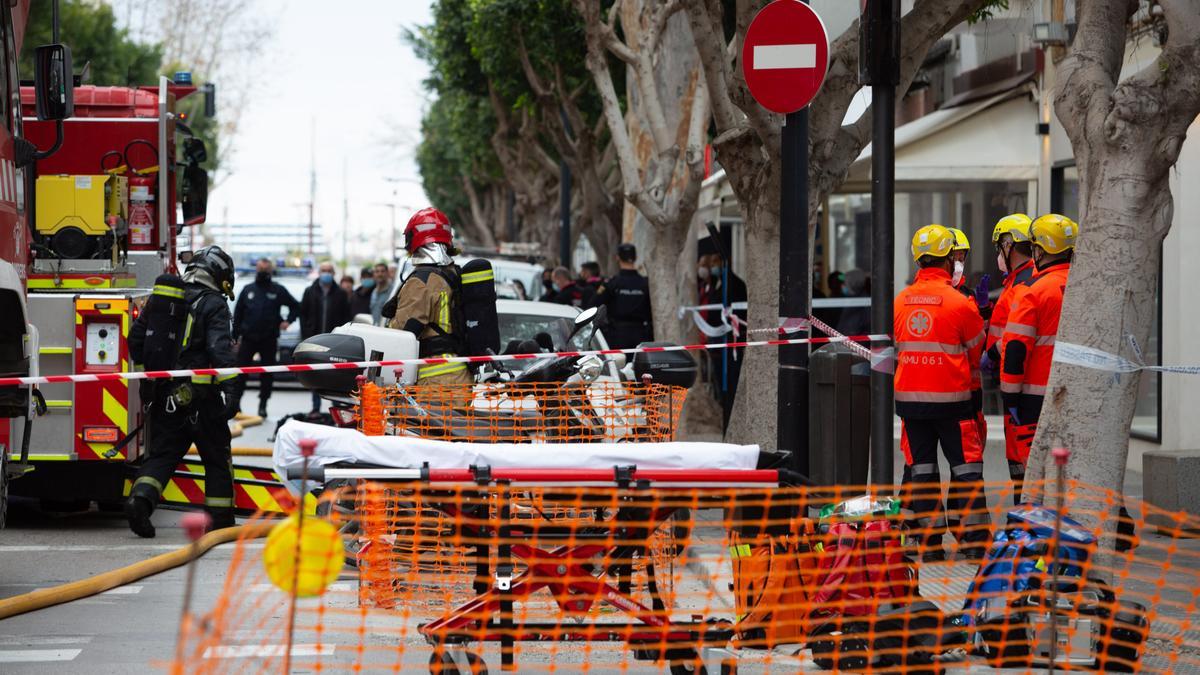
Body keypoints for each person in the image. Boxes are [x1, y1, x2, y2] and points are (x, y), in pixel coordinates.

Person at [125, 246, 239, 538]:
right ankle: (220, 520)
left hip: (165, 397)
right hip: (203, 400)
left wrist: (148, 382)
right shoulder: (213, 303)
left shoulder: (163, 300)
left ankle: (140, 501)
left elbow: (136, 339)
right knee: (216, 457)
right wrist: (231, 390)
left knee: (162, 455)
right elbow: (219, 350)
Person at [894, 224, 990, 561]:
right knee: (966, 470)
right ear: (949, 260)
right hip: (954, 403)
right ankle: (974, 541)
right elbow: (978, 352)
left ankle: (930, 545)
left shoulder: (900, 301)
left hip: (910, 404)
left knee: (921, 470)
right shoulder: (960, 303)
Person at [1000, 214, 1078, 499]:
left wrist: (1009, 397)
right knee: (1074, 466)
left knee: (1036, 471)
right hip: (1079, 394)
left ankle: (1034, 531)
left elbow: (1016, 349)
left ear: (1041, 250)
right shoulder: (1086, 289)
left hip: (1035, 398)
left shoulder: (1034, 291)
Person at [385, 207, 472, 391]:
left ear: (414, 238)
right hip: (459, 374)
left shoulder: (422, 281)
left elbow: (403, 332)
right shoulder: (452, 274)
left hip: (436, 380)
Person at [982, 213, 1036, 498]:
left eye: (998, 246)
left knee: (1023, 464)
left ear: (1008, 244)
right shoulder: (1017, 282)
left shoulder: (1024, 284)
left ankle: (1025, 521)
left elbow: (1017, 335)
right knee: (1019, 463)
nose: (998, 255)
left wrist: (992, 352)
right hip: (1014, 380)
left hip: (1021, 385)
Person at [231, 257, 300, 418]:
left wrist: (288, 321)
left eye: (266, 270)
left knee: (267, 374)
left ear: (271, 271)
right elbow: (238, 314)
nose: (263, 272)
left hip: (268, 339)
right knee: (241, 373)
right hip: (248, 339)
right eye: (261, 269)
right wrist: (235, 336)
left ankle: (263, 405)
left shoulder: (277, 290)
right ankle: (236, 404)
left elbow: (296, 306)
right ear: (256, 270)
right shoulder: (248, 290)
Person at [947, 228, 991, 447]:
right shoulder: (931, 294)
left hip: (970, 386)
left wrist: (983, 310)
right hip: (942, 385)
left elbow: (980, 338)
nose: (958, 261)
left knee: (969, 450)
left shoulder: (968, 295)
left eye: (962, 256)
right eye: (954, 256)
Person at [300, 261, 352, 413]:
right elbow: (303, 314)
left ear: (334, 273)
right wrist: (306, 334)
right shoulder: (310, 291)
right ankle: (315, 407)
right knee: (315, 374)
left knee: (334, 375)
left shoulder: (341, 294)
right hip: (314, 340)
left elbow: (346, 316)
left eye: (329, 270)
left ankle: (336, 407)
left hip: (334, 342)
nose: (326, 273)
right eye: (323, 270)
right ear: (319, 272)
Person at [592, 243, 653, 349]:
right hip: (641, 334)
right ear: (635, 258)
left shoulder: (611, 283)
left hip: (617, 334)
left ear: (617, 258)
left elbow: (593, 305)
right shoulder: (645, 283)